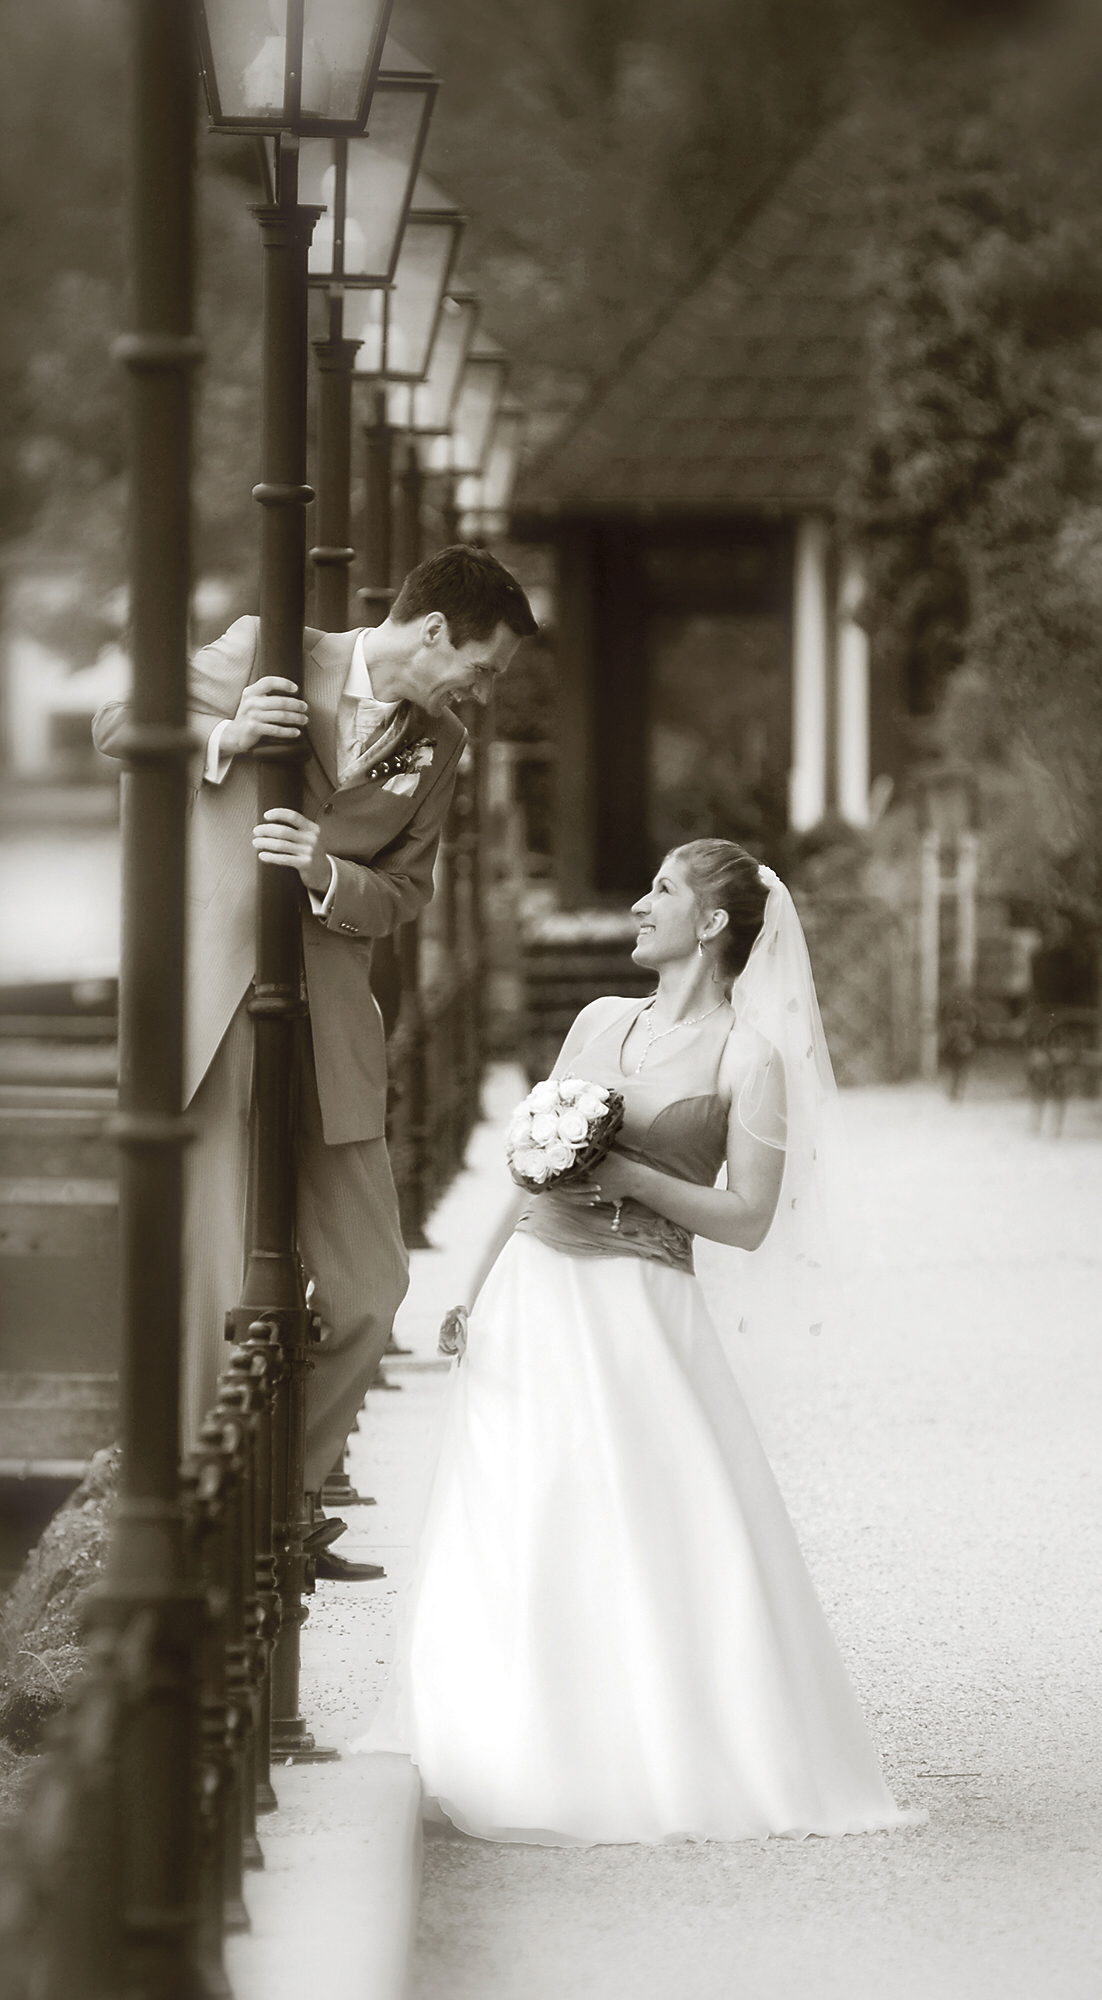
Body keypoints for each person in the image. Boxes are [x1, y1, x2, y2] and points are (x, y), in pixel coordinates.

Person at [357, 839, 924, 1839]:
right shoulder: (596, 1019)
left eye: (659, 889)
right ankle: (490, 1737)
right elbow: (534, 1167)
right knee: (511, 1508)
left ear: (709, 923)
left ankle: (644, 1749)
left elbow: (747, 1215)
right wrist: (475, 1287)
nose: (635, 902)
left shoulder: (748, 1058)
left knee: (636, 1516)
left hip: (637, 1302)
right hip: (536, 1289)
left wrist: (635, 1182)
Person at [93, 545, 537, 1579]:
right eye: (484, 663)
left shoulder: (443, 741)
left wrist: (326, 872)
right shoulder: (267, 648)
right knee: (212, 1284)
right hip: (213, 1009)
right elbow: (121, 723)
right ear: (433, 633)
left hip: (329, 1022)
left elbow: (406, 892)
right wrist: (228, 733)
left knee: (373, 1289)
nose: (486, 686)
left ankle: (282, 1501)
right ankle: (209, 1541)